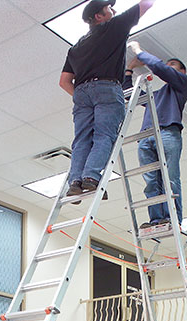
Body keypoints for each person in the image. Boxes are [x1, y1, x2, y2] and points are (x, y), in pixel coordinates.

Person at [59, 0, 157, 201]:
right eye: (109, 8)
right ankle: (91, 177)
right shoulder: (113, 26)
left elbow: (64, 82)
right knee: (104, 134)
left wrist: (82, 97)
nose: (114, 10)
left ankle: (75, 181)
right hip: (106, 87)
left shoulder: (75, 48)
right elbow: (146, 4)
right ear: (99, 16)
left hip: (81, 92)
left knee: (82, 139)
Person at [124, 41, 187, 229]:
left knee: (170, 178)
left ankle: (172, 218)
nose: (168, 67)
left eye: (173, 65)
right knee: (151, 181)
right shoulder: (155, 95)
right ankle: (156, 219)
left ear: (182, 72)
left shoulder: (182, 85)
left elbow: (161, 69)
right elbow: (129, 94)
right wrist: (129, 69)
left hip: (168, 132)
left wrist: (138, 51)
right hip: (146, 136)